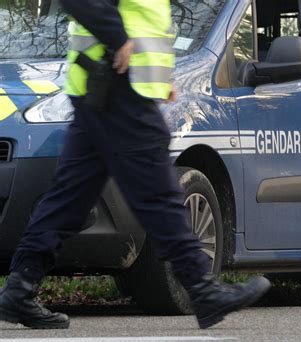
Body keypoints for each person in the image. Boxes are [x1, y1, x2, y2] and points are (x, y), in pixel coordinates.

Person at [0, 0, 270, 330]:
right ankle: (202, 289)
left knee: (68, 198)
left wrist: (160, 81)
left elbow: (144, 21)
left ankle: (19, 288)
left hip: (107, 89)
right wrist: (118, 38)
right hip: (117, 88)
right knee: (159, 193)